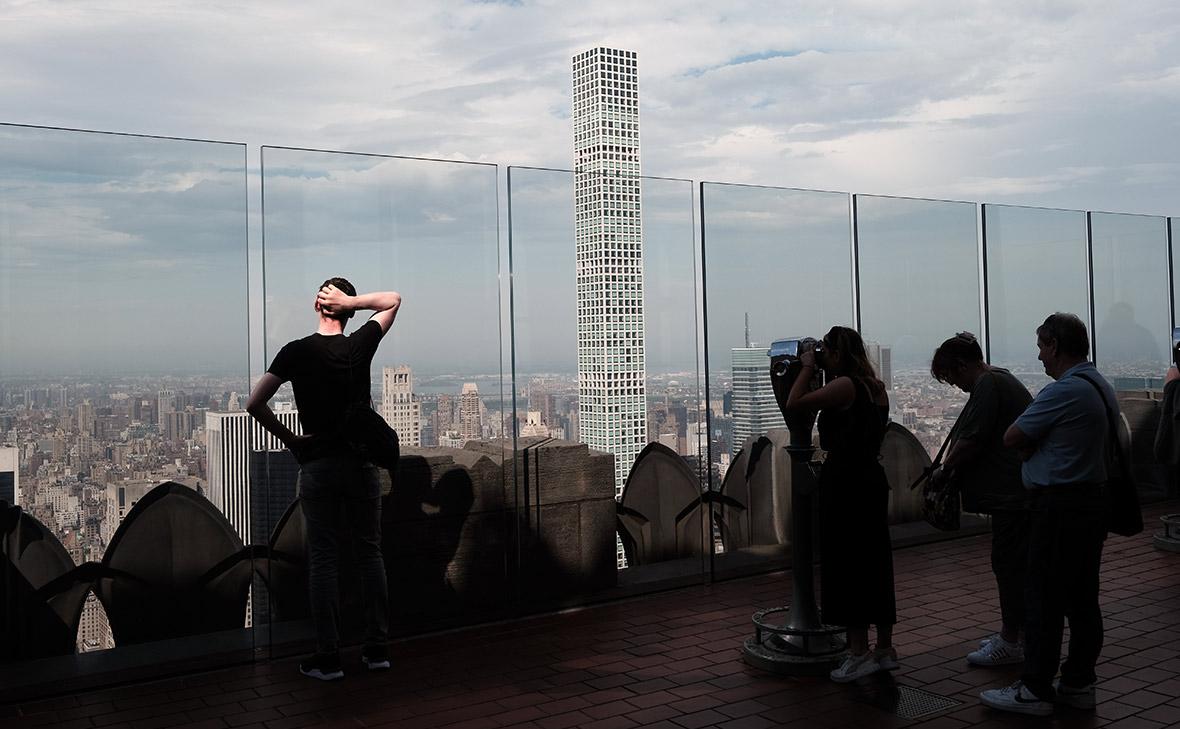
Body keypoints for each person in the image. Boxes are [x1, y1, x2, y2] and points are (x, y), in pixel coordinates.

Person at [246, 277, 402, 681]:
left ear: (317, 307)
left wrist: (293, 440)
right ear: (349, 312)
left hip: (317, 466)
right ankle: (376, 649)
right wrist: (351, 301)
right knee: (370, 553)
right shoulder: (358, 345)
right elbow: (392, 300)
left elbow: (254, 402)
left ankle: (329, 657)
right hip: (360, 464)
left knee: (325, 559)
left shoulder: (296, 352)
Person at [979, 313, 1113, 716]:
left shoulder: (1064, 391)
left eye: (1041, 347)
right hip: (1090, 503)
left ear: (1054, 345)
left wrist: (1030, 450)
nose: (1039, 357)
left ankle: (1035, 687)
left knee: (1043, 599)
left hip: (1057, 507)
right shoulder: (1099, 384)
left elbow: (1012, 436)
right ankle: (1078, 682)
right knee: (1082, 599)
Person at [782, 326, 896, 682]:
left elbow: (795, 404)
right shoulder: (875, 387)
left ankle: (858, 652)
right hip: (871, 479)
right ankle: (884, 650)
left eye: (825, 352)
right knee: (875, 563)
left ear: (836, 354)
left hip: (845, 482)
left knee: (848, 565)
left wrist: (805, 368)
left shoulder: (844, 385)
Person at [929, 332, 1032, 666]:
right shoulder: (1000, 378)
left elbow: (971, 439)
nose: (955, 386)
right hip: (1017, 491)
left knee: (1008, 565)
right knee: (1015, 564)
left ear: (962, 365)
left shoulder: (988, 385)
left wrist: (944, 472)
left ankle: (1011, 640)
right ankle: (1020, 633)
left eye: (951, 377)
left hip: (1010, 495)